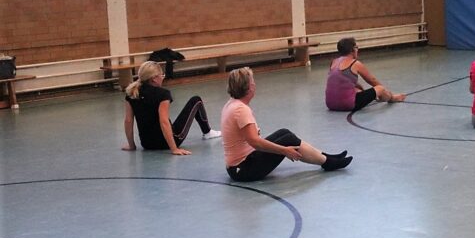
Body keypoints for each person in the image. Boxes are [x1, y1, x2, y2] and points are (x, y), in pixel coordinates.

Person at [222, 67, 352, 182]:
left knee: (284, 133)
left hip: (240, 165)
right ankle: (327, 162)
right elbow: (255, 142)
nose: (255, 84)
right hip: (243, 170)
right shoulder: (241, 110)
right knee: (288, 140)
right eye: (253, 82)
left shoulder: (232, 104)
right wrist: (284, 151)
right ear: (249, 88)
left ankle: (326, 157)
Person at [122, 61, 220, 155]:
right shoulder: (162, 94)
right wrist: (174, 149)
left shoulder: (131, 93)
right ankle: (207, 132)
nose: (163, 78)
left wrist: (131, 145)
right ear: (154, 78)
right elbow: (164, 121)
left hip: (147, 144)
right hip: (166, 143)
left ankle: (207, 132)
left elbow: (128, 121)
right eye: (162, 75)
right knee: (196, 100)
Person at [326, 38, 406, 112]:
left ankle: (381, 96)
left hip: (330, 104)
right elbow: (372, 80)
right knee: (380, 88)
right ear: (352, 50)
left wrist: (359, 88)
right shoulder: (355, 63)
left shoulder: (334, 62)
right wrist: (385, 92)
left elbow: (341, 80)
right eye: (356, 47)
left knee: (358, 89)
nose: (357, 50)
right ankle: (392, 98)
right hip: (348, 105)